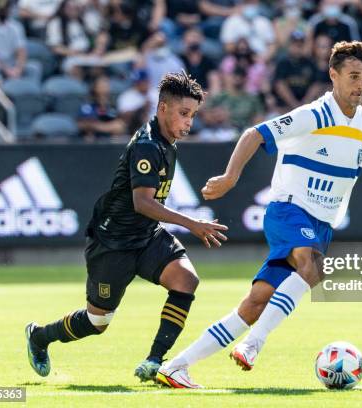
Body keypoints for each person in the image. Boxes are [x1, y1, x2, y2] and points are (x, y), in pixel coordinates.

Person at [155, 41, 362, 388]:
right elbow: (255, 134)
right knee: (313, 266)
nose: (360, 84)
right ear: (333, 75)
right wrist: (230, 176)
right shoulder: (313, 115)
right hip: (288, 209)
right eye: (353, 76)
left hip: (321, 224)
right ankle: (253, 344)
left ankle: (176, 366)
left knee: (255, 303)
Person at [24, 71, 229, 382]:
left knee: (186, 280)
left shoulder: (167, 142)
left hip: (145, 236)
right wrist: (192, 223)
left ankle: (155, 361)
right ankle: (39, 337)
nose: (189, 122)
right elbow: (143, 203)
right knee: (97, 321)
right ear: (163, 108)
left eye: (193, 115)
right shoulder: (148, 146)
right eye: (183, 114)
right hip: (113, 242)